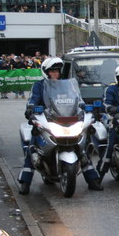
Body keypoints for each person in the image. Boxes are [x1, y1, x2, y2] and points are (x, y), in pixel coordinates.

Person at [17, 57, 103, 194]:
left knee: (82, 149)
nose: (55, 74)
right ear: (46, 72)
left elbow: (78, 100)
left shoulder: (67, 85)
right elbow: (32, 100)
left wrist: (85, 108)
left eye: (57, 71)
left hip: (66, 120)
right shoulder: (39, 85)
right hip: (46, 120)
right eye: (52, 71)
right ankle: (24, 182)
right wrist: (31, 109)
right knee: (32, 148)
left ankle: (92, 180)